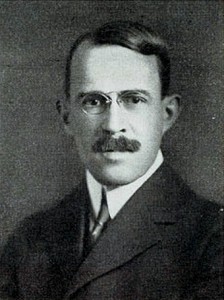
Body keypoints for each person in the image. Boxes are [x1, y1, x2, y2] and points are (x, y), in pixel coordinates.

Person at [0, 21, 223, 300]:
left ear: (167, 114)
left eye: (134, 99)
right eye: (94, 101)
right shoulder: (30, 239)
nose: (113, 125)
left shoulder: (212, 238)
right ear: (66, 117)